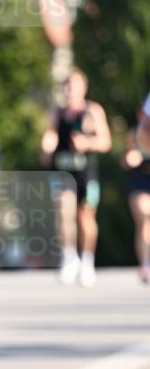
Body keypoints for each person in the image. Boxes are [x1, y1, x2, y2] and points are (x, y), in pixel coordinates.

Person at [40, 69, 111, 287]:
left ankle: (87, 261)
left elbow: (105, 142)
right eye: (67, 85)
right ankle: (69, 258)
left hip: (86, 174)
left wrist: (87, 143)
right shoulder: (57, 112)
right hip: (62, 173)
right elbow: (50, 135)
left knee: (85, 217)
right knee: (63, 211)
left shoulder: (93, 111)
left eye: (74, 85)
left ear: (84, 88)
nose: (70, 90)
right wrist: (46, 146)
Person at [123, 91, 150, 283]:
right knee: (144, 219)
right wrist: (131, 159)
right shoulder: (135, 134)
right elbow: (127, 158)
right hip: (141, 181)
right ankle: (145, 264)